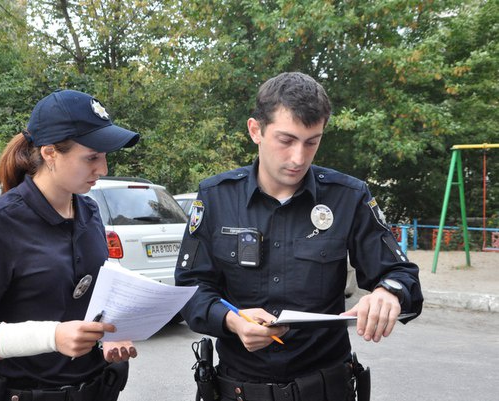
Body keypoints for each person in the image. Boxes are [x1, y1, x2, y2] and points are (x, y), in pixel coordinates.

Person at [175, 72, 423, 401]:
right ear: (255, 130)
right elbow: (190, 290)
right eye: (286, 140)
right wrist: (233, 320)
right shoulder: (216, 196)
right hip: (239, 388)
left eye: (311, 142)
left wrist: (388, 294)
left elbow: (401, 274)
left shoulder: (348, 196)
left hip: (325, 388)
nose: (299, 158)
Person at [0, 89, 140, 401]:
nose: (102, 170)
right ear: (50, 153)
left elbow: (90, 298)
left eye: (104, 157)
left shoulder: (88, 211)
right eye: (91, 157)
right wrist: (52, 337)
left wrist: (113, 333)